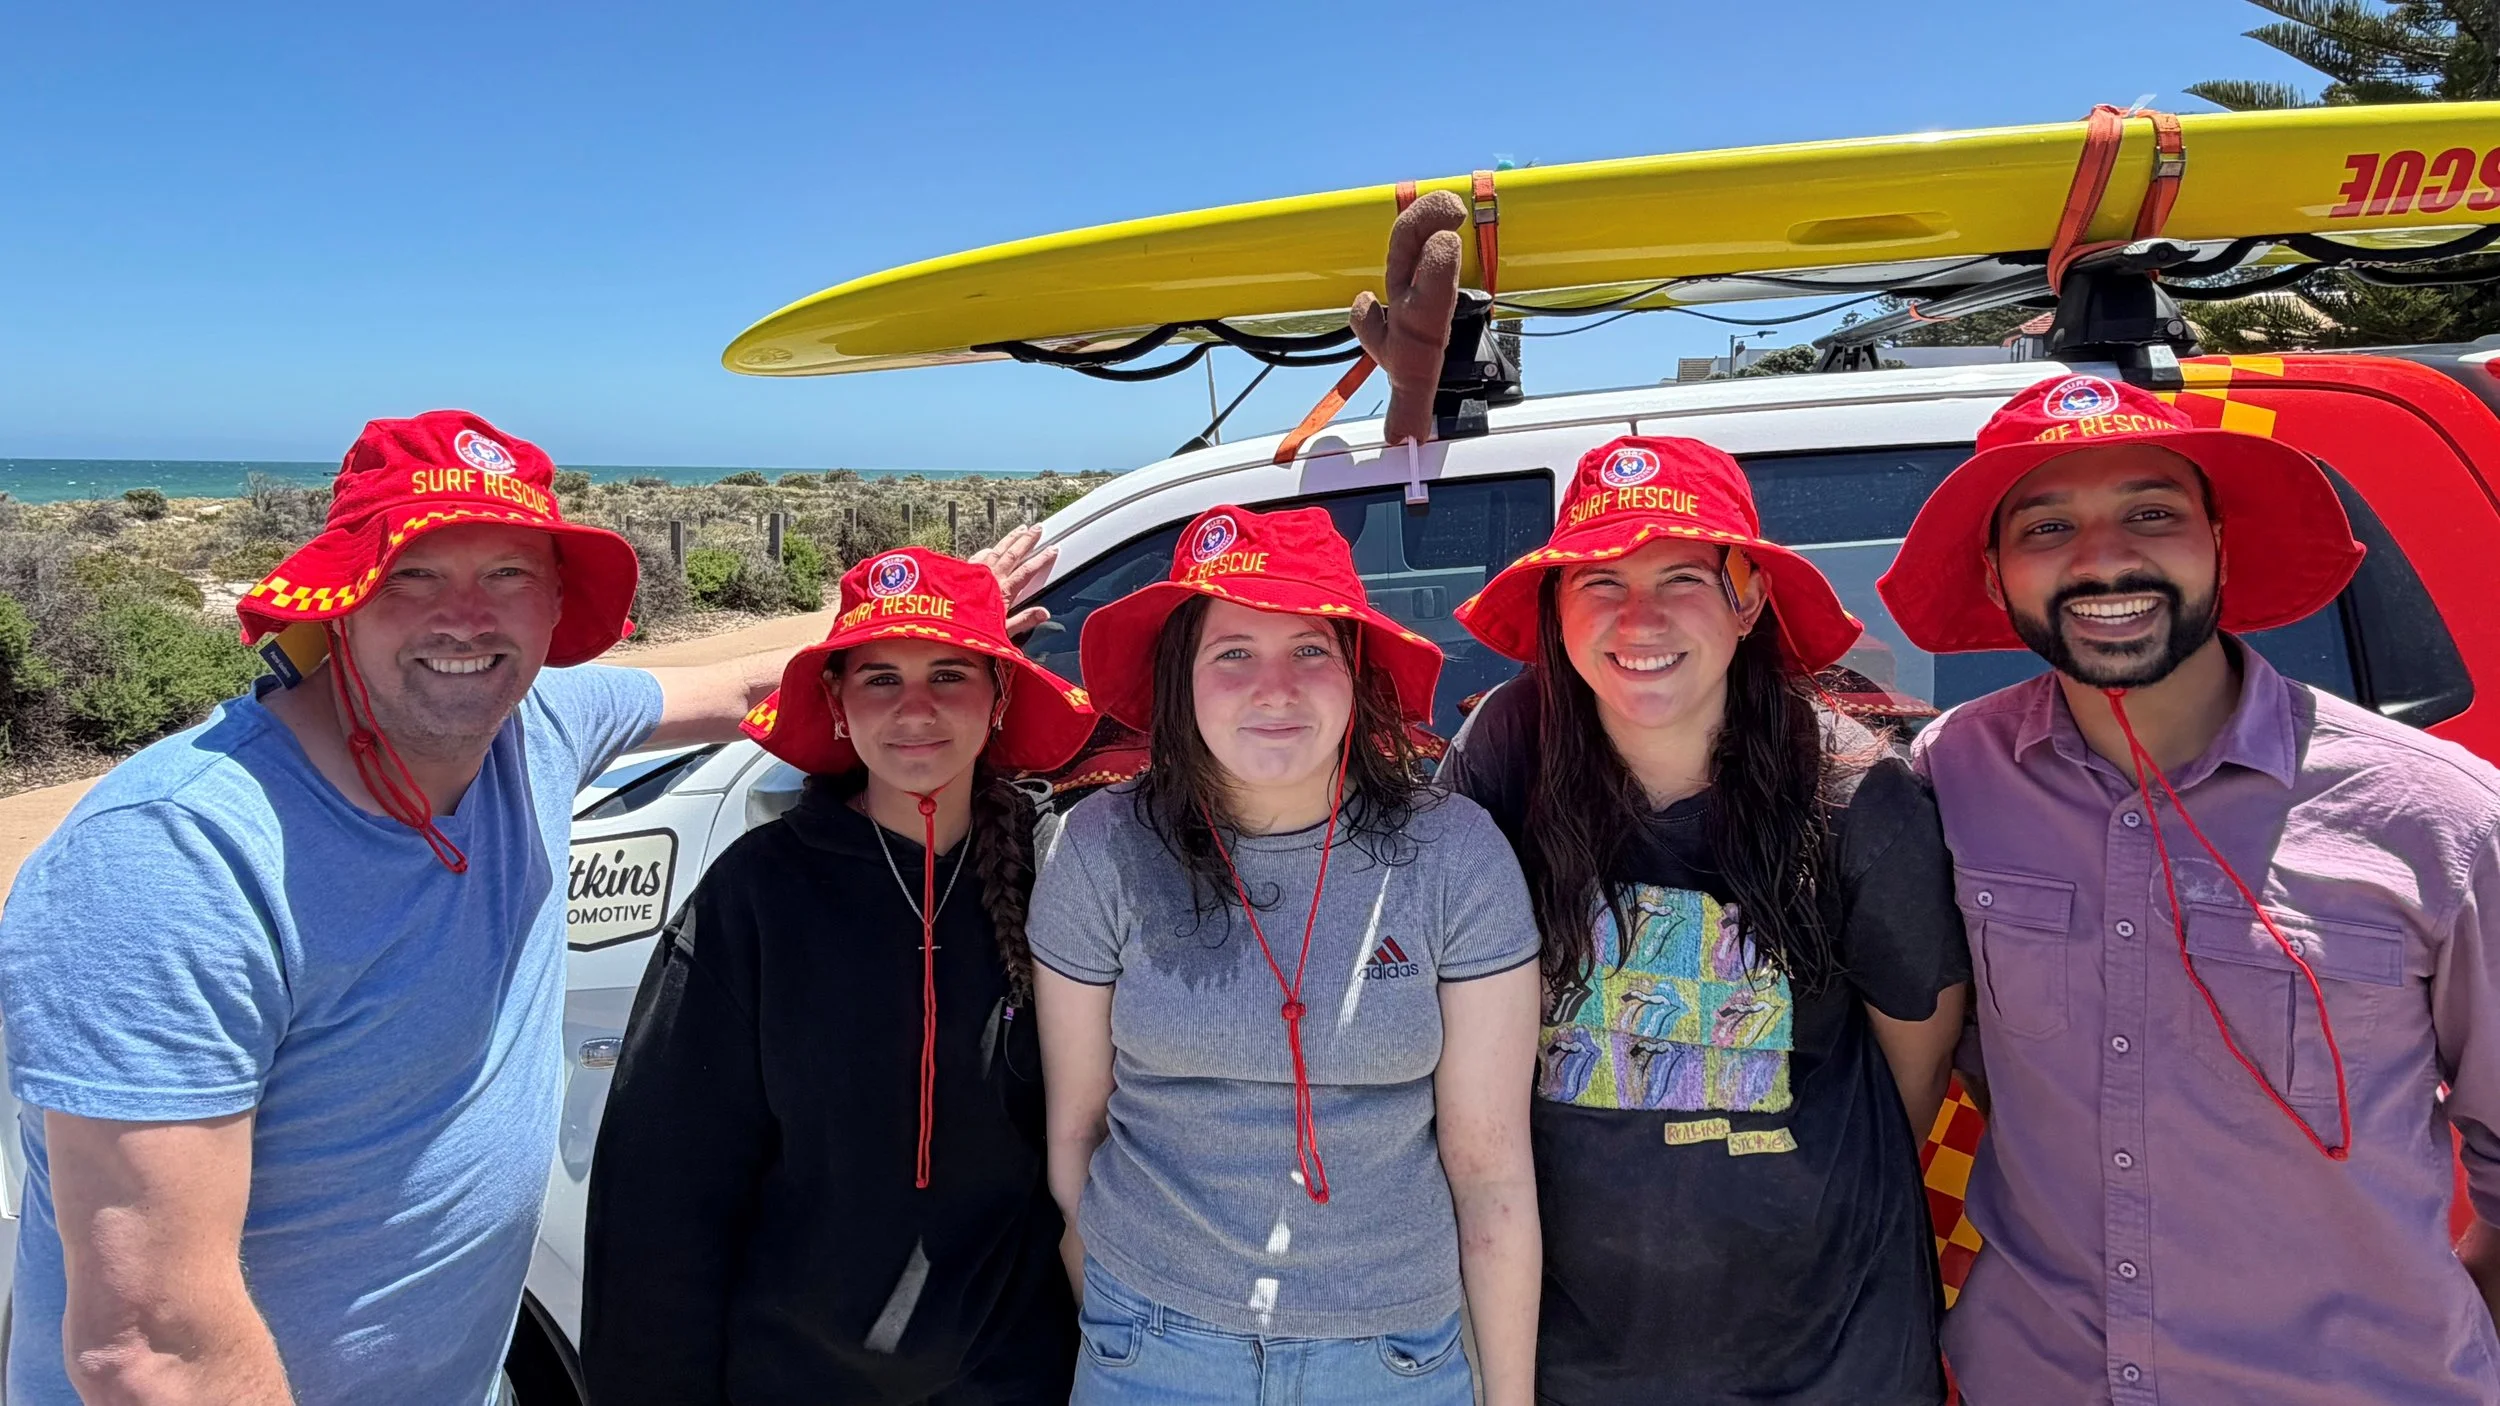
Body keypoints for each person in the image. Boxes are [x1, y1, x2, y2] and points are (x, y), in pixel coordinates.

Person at [0, 411, 1058, 1406]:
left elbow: (749, 691)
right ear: (340, 594)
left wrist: (913, 623)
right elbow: (148, 1344)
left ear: (556, 605)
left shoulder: (532, 727)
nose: (466, 617)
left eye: (507, 571)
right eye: (413, 572)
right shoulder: (176, 856)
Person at [1874, 372, 2500, 1404]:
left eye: (2150, 512)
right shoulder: (1948, 780)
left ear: (2220, 540)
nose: (2102, 555)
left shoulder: (2436, 817)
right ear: (1994, 577)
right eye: (2046, 525)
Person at [1434, 435, 1970, 1405]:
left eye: (1680, 575)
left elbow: (1911, 1072)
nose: (1638, 617)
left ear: (1748, 594)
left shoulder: (1853, 792)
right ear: (1556, 606)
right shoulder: (1503, 757)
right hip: (1567, 1361)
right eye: (1599, 578)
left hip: (1827, 1358)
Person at [1028, 505, 1543, 1406]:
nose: (1275, 687)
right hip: (1149, 1344)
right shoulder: (1100, 845)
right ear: (1179, 679)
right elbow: (1077, 1132)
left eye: (1309, 649)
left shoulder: (1453, 852)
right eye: (1232, 652)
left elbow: (1493, 1173)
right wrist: (1124, 1311)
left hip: (1393, 1357)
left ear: (1357, 673)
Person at [579, 546, 1096, 1403]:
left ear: (1001, 696)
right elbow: (661, 1195)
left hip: (1024, 1378)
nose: (916, 710)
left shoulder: (1067, 875)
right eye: (881, 678)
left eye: (950, 674)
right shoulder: (758, 895)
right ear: (837, 705)